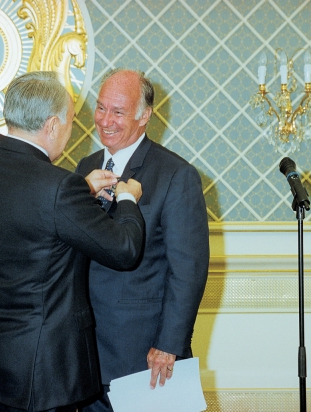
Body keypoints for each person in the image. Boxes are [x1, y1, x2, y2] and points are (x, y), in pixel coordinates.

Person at [0, 71, 145, 412]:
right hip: (40, 373)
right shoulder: (57, 186)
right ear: (53, 124)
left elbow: (24, 212)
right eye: (71, 122)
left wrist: (82, 190)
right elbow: (124, 250)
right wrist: (128, 199)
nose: (71, 132)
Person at [76, 68, 210, 412]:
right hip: (84, 356)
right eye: (101, 107)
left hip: (143, 357)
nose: (105, 120)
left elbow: (188, 269)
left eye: (118, 112)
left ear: (144, 116)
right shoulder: (83, 169)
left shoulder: (176, 175)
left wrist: (170, 345)